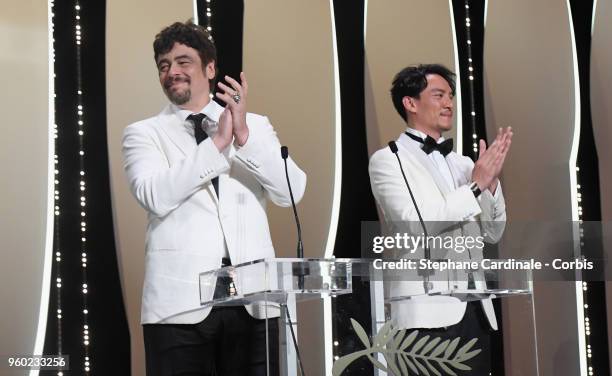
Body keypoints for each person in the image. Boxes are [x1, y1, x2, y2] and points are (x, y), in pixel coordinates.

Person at [122, 21, 306, 376]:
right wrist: (217, 145)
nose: (172, 72)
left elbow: (291, 192)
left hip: (255, 302)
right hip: (178, 306)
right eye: (163, 65)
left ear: (210, 68)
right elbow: (155, 195)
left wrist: (244, 137)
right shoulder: (143, 133)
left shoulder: (255, 125)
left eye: (183, 62)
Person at [368, 64, 512, 374]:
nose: (449, 103)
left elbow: (492, 233)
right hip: (426, 315)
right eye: (438, 95)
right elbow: (417, 223)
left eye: (451, 96)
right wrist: (475, 185)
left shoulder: (462, 163)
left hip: (476, 309)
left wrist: (491, 185)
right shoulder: (389, 160)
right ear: (411, 103)